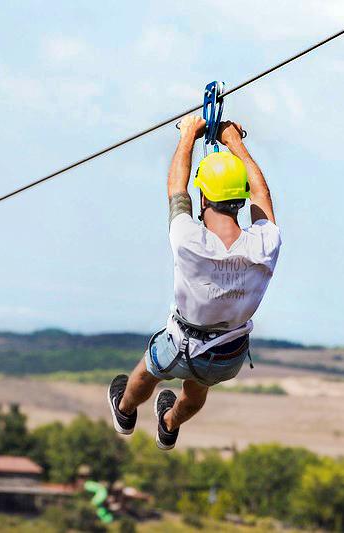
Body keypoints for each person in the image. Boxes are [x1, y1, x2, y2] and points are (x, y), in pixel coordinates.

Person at [107, 115, 281, 450]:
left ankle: (125, 410)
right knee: (196, 390)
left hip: (182, 342)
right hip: (226, 353)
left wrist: (188, 135)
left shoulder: (190, 242)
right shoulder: (265, 245)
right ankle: (169, 424)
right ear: (241, 200)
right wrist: (236, 143)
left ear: (204, 199)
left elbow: (176, 189)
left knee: (147, 371)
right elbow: (263, 195)